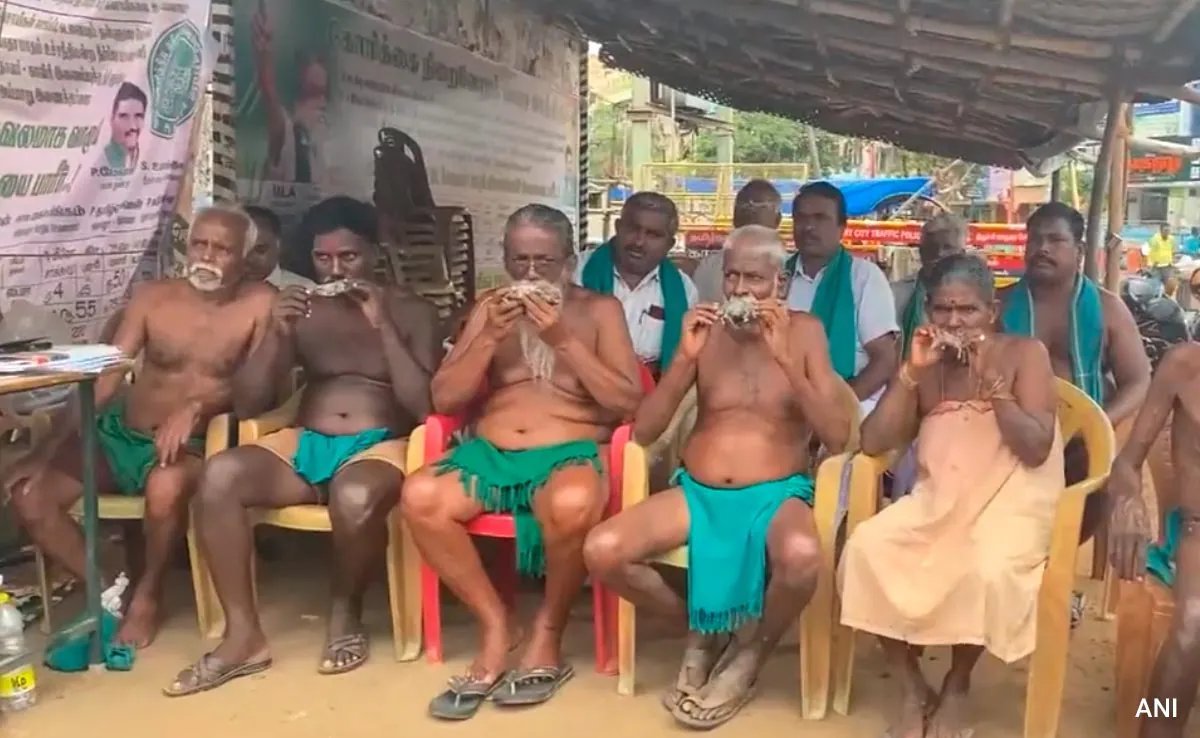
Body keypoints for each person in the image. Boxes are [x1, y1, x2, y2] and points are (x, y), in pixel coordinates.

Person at [163, 196, 439, 695]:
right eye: (322, 259)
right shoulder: (300, 309)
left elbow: (424, 406)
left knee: (353, 496)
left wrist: (382, 324)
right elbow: (249, 404)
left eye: (348, 258)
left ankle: (345, 611)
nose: (335, 270)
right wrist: (276, 332)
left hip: (383, 442)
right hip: (308, 439)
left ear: (374, 253)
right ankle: (244, 635)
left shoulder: (412, 310)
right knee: (219, 475)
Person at [585, 225, 852, 730]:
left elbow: (838, 436)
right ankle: (703, 631)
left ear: (781, 284)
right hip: (698, 491)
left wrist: (786, 361)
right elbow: (645, 430)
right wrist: (684, 358)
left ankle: (750, 651)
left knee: (800, 559)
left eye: (755, 278)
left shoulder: (806, 331)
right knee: (604, 550)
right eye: (732, 277)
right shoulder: (704, 332)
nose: (741, 291)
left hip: (776, 494)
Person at [402, 204, 641, 719]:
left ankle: (548, 632)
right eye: (520, 261)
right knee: (420, 496)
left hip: (572, 451)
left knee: (575, 503)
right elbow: (444, 400)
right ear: (505, 259)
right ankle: (496, 626)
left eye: (545, 262)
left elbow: (626, 403)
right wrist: (487, 335)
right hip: (491, 454)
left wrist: (562, 340)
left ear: (569, 260)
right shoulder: (489, 306)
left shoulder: (600, 311)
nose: (531, 275)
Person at [3, 206, 275, 648]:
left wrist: (198, 405)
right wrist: (45, 451)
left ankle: (149, 596)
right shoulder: (153, 296)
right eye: (199, 244)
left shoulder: (261, 303)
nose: (207, 257)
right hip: (119, 435)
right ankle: (112, 586)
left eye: (222, 249)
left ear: (244, 259)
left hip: (193, 445)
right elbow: (107, 377)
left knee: (165, 489)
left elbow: (262, 386)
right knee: (30, 496)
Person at [839, 253, 1062, 738]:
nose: (954, 323)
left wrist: (994, 387)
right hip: (937, 498)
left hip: (1011, 500)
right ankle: (910, 685)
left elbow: (1036, 448)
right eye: (943, 311)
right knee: (865, 549)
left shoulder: (1025, 353)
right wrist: (910, 376)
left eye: (968, 311)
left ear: (992, 311)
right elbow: (874, 442)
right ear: (927, 312)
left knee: (986, 567)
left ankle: (958, 684)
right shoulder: (924, 365)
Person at [998, 202, 1149, 539]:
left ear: (1079, 251)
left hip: (1083, 447)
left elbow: (1138, 381)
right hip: (1015, 442)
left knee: (1097, 476)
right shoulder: (1001, 305)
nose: (1042, 249)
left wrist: (1098, 423)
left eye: (1054, 240)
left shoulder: (1109, 309)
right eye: (1034, 240)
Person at [1107, 343, 1200, 738]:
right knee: (1192, 626)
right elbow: (1127, 461)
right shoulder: (1185, 365)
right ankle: (1157, 722)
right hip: (1197, 531)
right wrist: (1128, 500)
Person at [787, 181, 899, 415]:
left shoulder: (863, 277)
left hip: (851, 405)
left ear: (842, 227)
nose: (809, 227)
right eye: (802, 218)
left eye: (820, 218)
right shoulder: (777, 275)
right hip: (784, 407)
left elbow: (885, 360)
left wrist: (835, 409)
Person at [576, 192, 698, 378]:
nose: (639, 242)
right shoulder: (577, 272)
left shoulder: (684, 289)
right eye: (633, 229)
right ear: (617, 227)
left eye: (653, 235)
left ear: (669, 244)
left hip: (651, 396)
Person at [252, 2, 329, 185]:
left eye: (324, 93)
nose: (321, 103)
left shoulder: (318, 150)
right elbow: (269, 89)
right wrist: (265, 51)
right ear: (296, 99)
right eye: (312, 93)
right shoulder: (285, 134)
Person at [692, 179, 783, 303]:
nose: (739, 289)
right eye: (731, 276)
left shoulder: (708, 266)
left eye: (754, 277)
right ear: (777, 221)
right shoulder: (708, 266)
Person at [893, 214, 967, 358]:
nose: (939, 253)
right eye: (932, 247)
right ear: (921, 252)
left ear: (962, 254)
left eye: (947, 247)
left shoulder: (975, 297)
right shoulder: (895, 294)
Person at [243, 205, 316, 289]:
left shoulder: (305, 289)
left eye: (260, 250)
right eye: (241, 251)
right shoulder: (225, 292)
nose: (250, 259)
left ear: (279, 245)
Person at [103, 82, 146, 171]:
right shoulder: (103, 159)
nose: (133, 126)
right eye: (124, 116)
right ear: (112, 119)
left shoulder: (144, 158)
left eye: (138, 116)